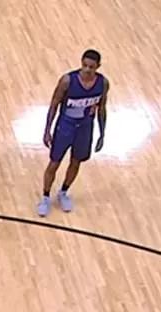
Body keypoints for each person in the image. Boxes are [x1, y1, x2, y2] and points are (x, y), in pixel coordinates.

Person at [38, 49, 109, 217]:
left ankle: (63, 192)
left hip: (85, 127)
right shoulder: (67, 81)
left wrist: (102, 133)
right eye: (84, 65)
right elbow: (54, 104)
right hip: (65, 125)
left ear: (98, 67)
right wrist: (47, 130)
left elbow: (102, 108)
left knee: (76, 162)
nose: (86, 69)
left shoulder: (103, 83)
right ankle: (45, 197)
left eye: (91, 67)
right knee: (54, 163)